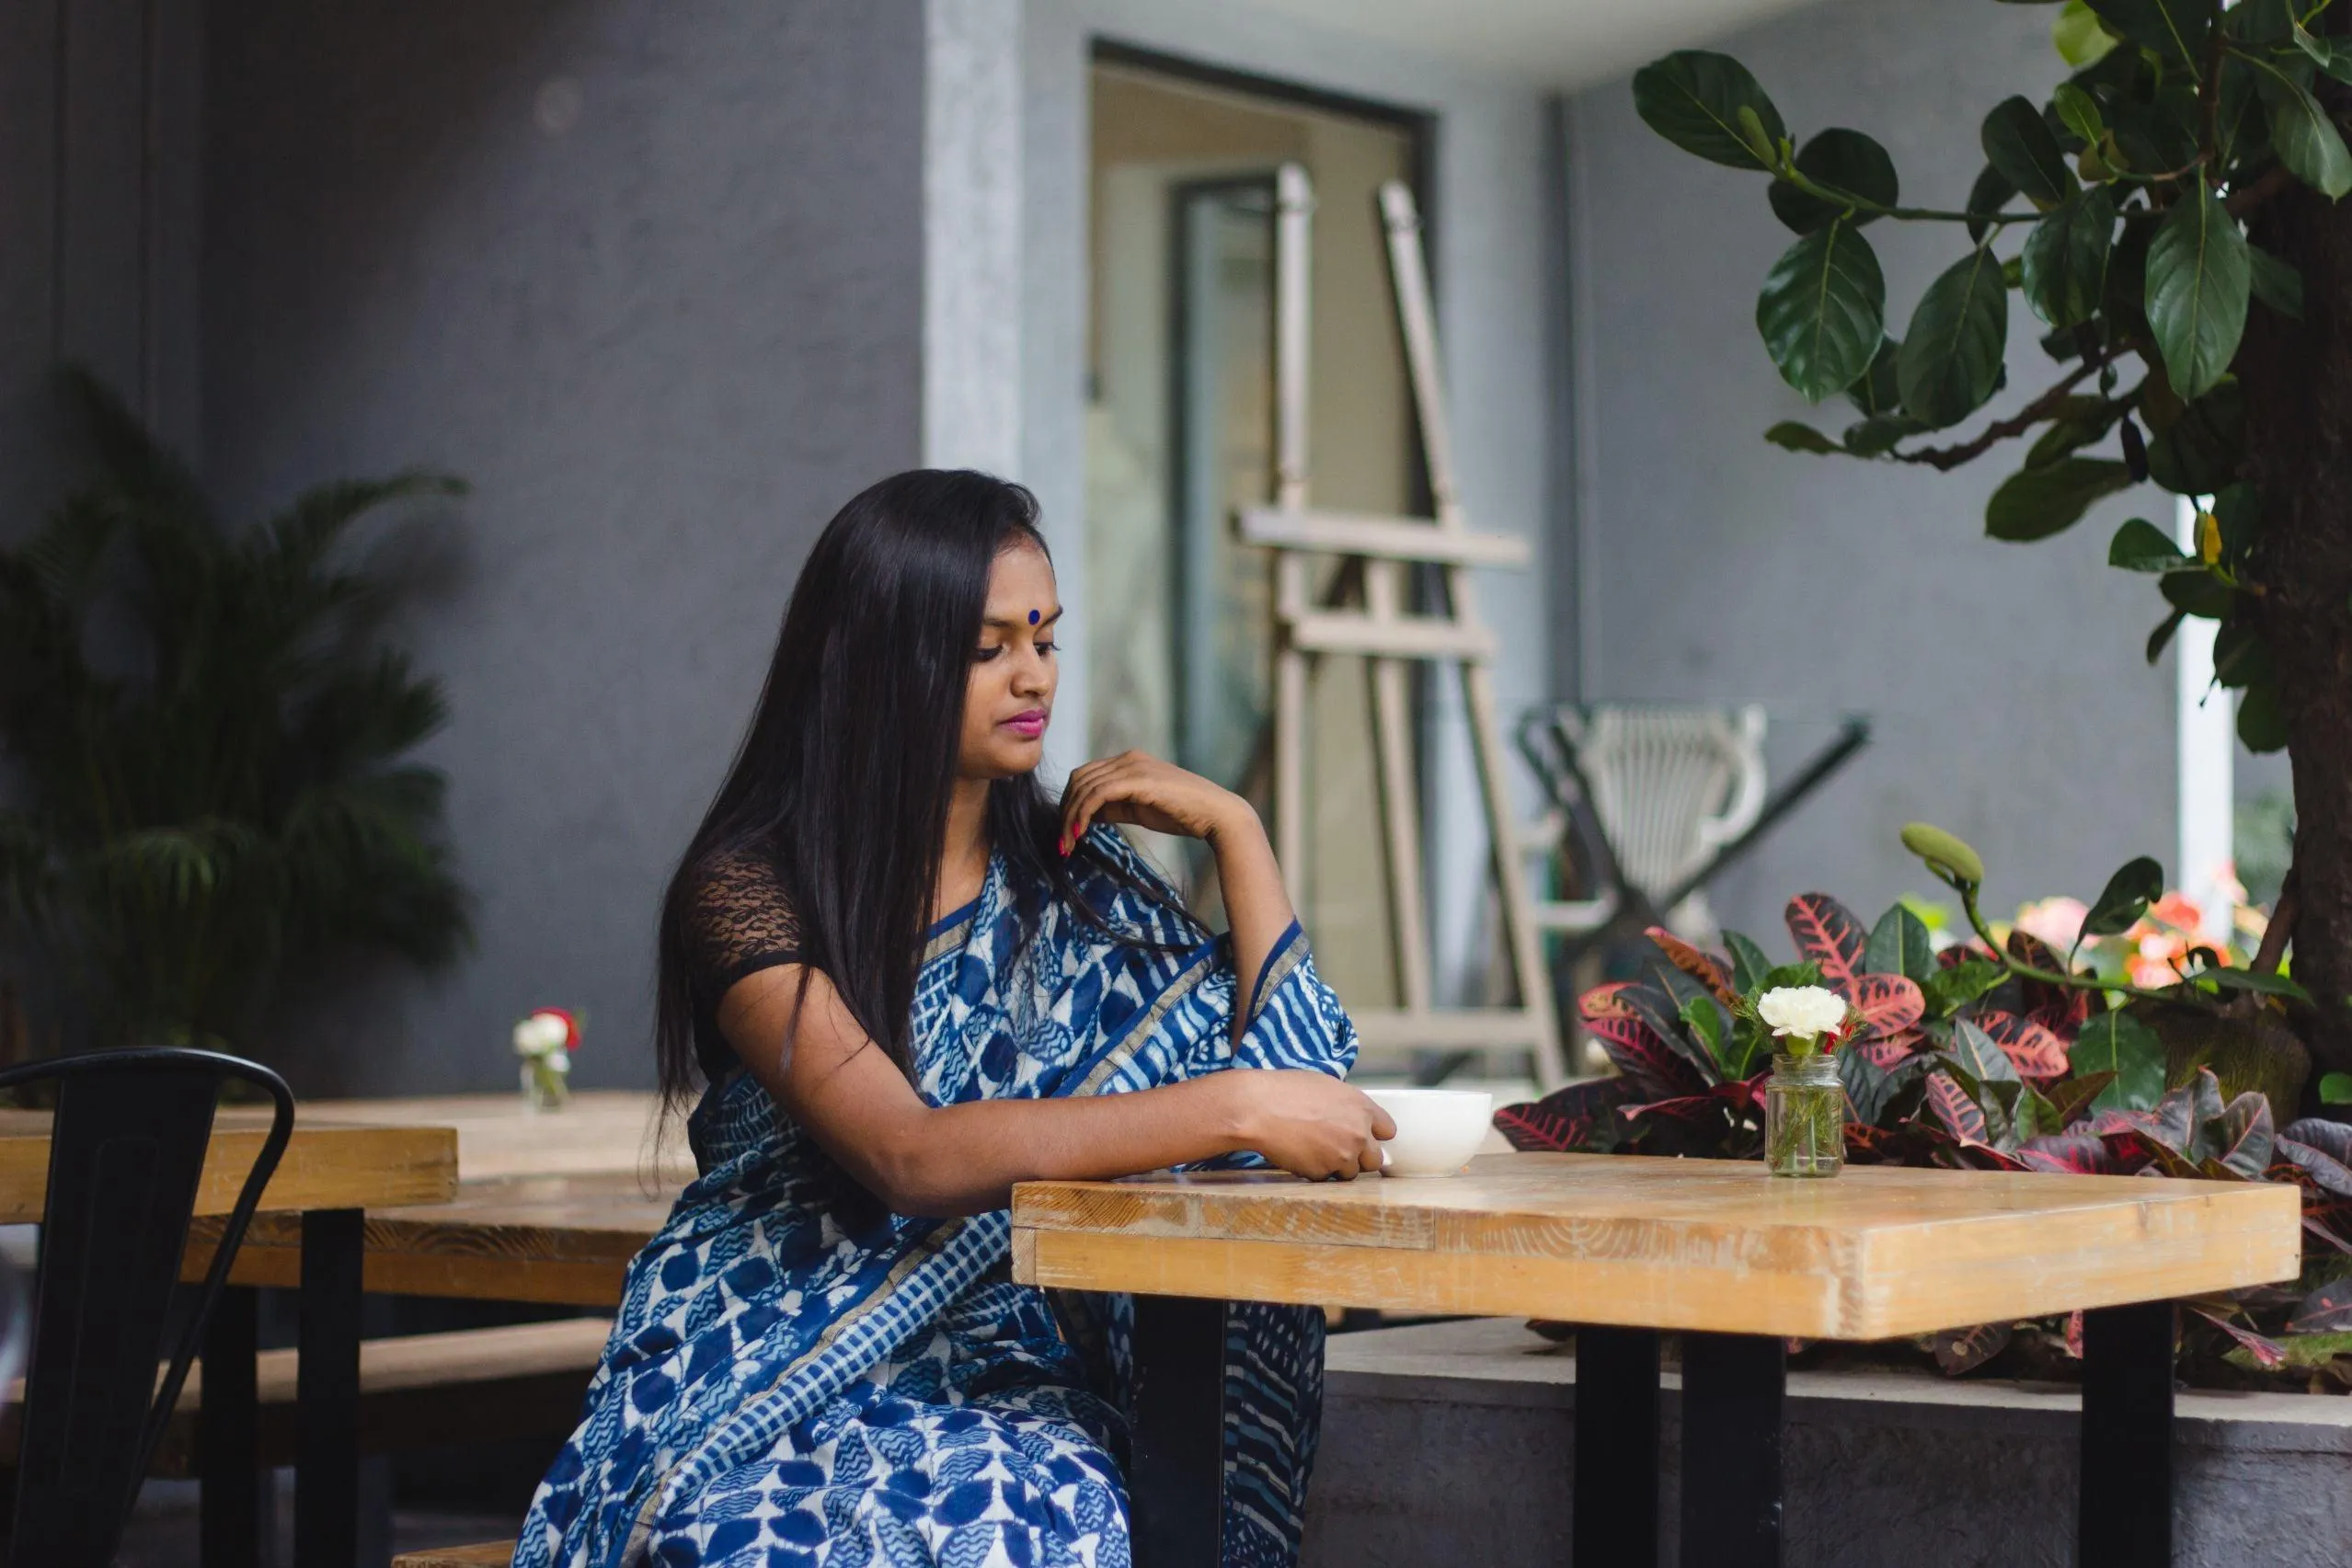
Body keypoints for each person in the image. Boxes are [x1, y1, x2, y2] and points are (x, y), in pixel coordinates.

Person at [515, 470, 1389, 1568]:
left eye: (1045, 638)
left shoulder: (1075, 880)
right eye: (987, 650)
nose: (1033, 677)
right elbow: (907, 1155)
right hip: (766, 1360)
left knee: (1009, 1520)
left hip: (1010, 1382)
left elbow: (1307, 1080)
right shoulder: (752, 890)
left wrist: (1238, 832)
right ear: (886, 662)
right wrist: (1230, 1103)